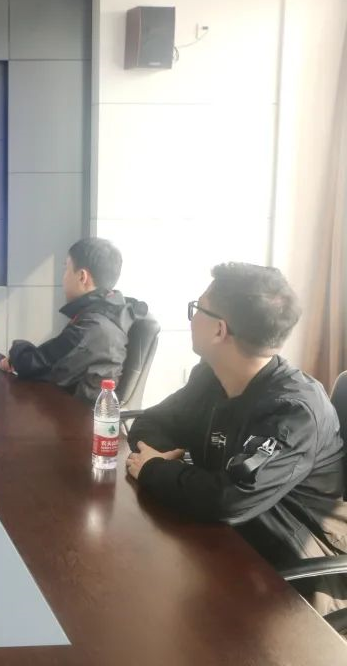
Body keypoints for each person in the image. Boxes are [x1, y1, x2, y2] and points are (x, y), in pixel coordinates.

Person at [126, 263, 347, 614]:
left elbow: (227, 498)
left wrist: (155, 468)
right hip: (221, 543)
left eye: (197, 308)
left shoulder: (293, 412)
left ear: (219, 329)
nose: (191, 319)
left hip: (294, 576)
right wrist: (168, 461)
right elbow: (150, 424)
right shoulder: (211, 377)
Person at [0, 237, 147, 402]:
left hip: (78, 414)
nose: (63, 278)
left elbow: (38, 364)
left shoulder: (93, 327)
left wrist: (15, 356)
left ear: (82, 276)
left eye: (66, 269)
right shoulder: (111, 313)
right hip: (76, 405)